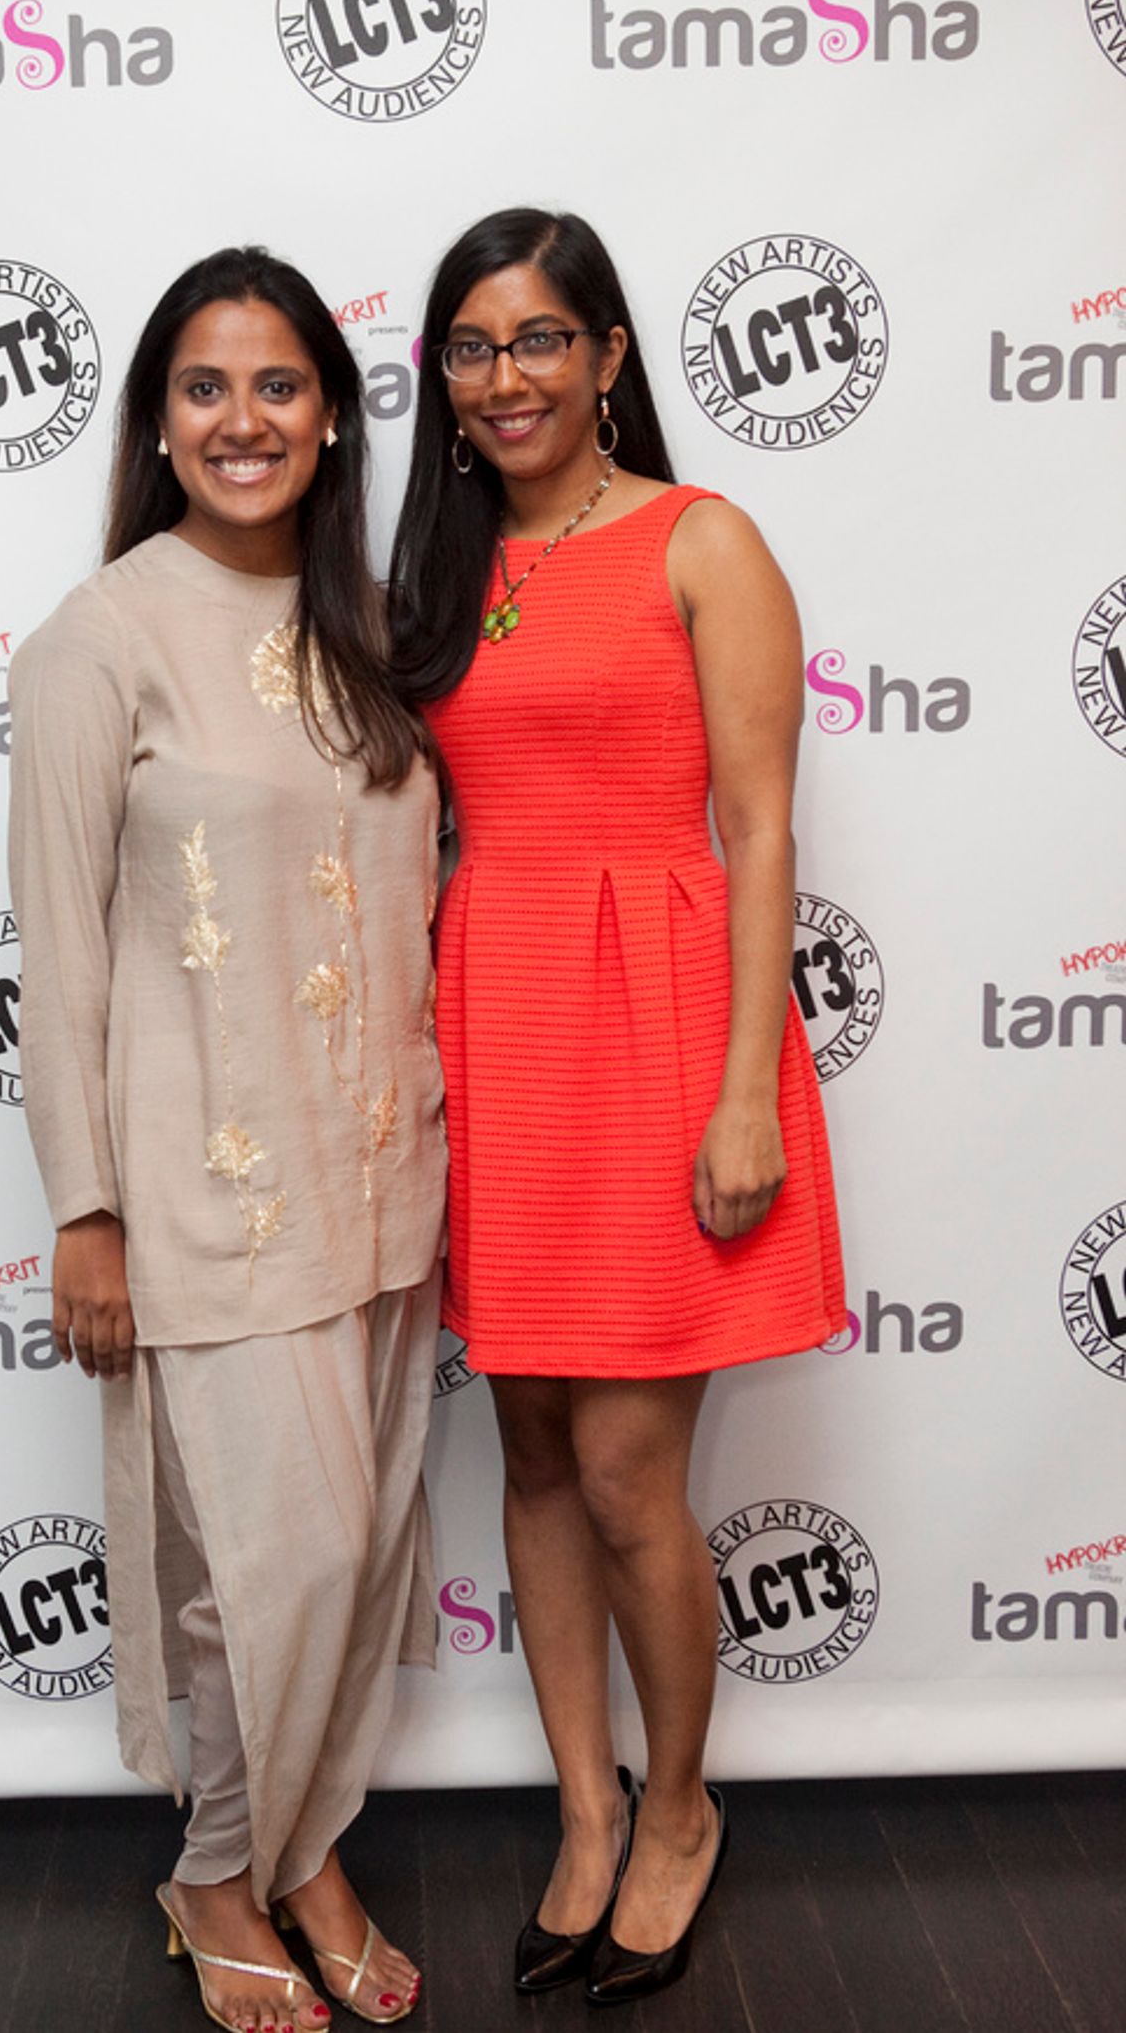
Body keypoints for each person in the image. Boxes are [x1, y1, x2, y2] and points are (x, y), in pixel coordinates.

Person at [389, 209, 845, 2005]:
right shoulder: (436, 567)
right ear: (444, 373)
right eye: (475, 346)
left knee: (638, 1470)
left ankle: (678, 1810)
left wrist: (749, 1092)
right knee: (533, 1457)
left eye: (541, 340)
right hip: (496, 1023)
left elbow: (757, 830)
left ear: (608, 356)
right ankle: (582, 1808)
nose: (508, 377)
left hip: (662, 1023)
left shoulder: (701, 539)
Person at [8, 246, 447, 2033]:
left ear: (332, 416)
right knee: (285, 1555)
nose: (243, 419)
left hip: (381, 1178)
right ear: (159, 423)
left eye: (277, 385)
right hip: (203, 1197)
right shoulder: (98, 640)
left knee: (333, 1555)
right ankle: (215, 1865)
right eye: (205, 387)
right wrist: (85, 1213)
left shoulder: (367, 639)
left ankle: (307, 1849)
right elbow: (56, 956)